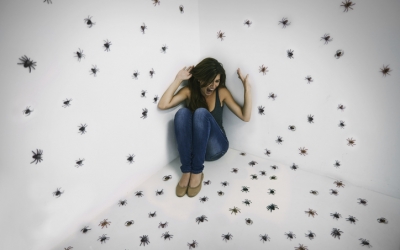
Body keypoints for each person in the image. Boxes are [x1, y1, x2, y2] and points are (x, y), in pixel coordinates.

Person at [157, 57, 252, 197]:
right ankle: (186, 170)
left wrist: (247, 89)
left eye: (217, 81)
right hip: (194, 151)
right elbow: (163, 105)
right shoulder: (189, 91)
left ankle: (197, 172)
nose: (213, 85)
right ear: (200, 78)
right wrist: (178, 79)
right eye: (209, 80)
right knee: (182, 113)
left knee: (201, 113)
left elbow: (245, 116)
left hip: (216, 148)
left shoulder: (222, 92)